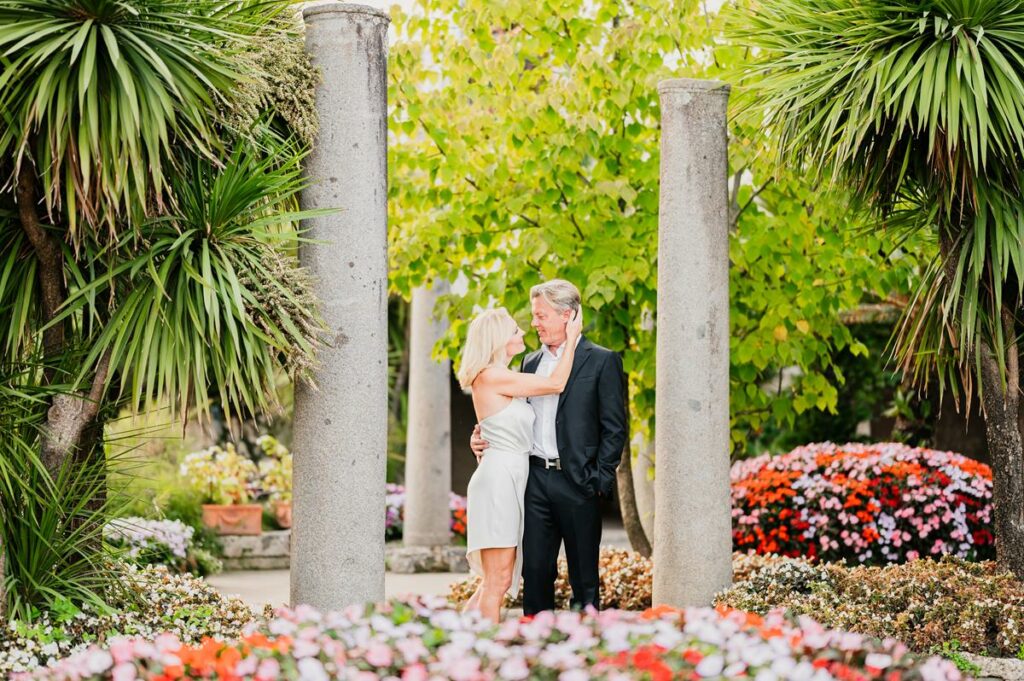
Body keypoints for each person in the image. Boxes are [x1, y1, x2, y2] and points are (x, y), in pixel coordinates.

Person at [471, 279, 627, 615]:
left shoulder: (602, 361)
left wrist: (599, 481)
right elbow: (505, 413)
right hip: (533, 480)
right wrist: (482, 435)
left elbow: (615, 429)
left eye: (541, 315)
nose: (535, 323)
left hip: (579, 482)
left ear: (567, 316)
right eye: (533, 315)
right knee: (536, 571)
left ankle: (587, 649)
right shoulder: (527, 363)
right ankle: (534, 648)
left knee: (584, 575)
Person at [456, 305, 583, 623]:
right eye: (515, 329)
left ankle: (455, 640)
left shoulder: (503, 376)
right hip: (499, 480)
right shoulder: (492, 376)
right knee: (497, 581)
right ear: (499, 339)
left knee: (493, 580)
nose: (523, 332)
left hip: (509, 476)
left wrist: (480, 434)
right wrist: (572, 338)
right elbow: (556, 384)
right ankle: (487, 656)